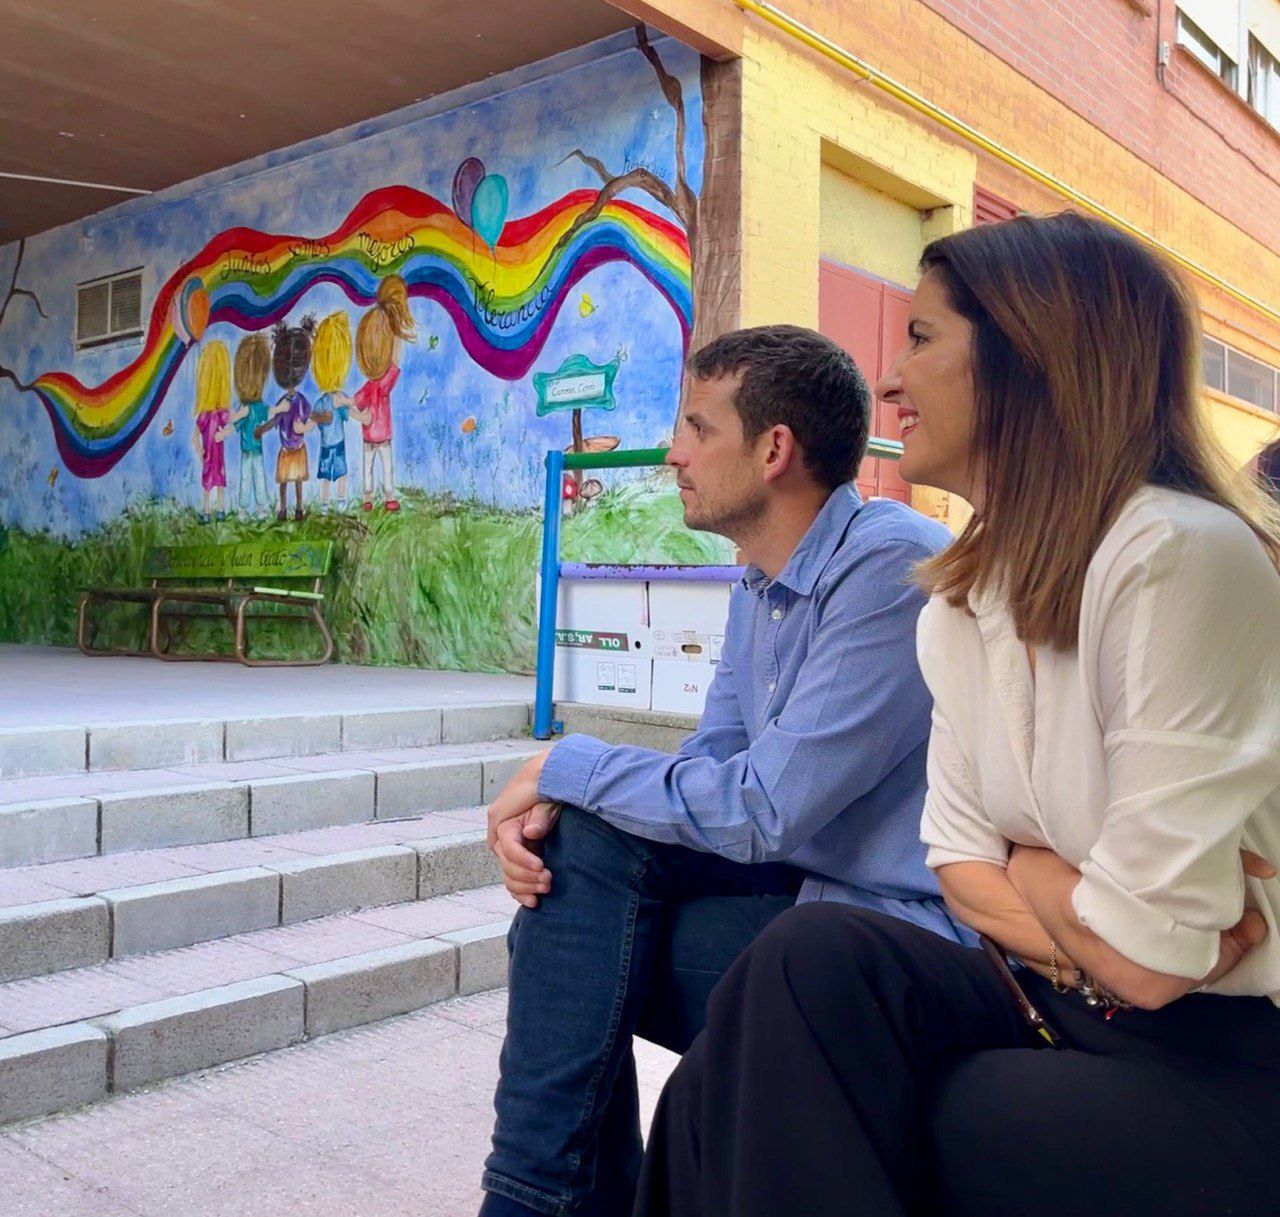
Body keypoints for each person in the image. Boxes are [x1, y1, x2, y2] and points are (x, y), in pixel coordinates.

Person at [634, 213, 1280, 1217]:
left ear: (1030, 355)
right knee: (792, 973)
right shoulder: (963, 597)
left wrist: (1035, 877)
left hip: (1211, 1055)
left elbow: (1150, 966)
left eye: (922, 337)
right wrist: (1062, 893)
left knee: (838, 1105)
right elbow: (960, 867)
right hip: (1042, 992)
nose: (890, 382)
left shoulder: (1177, 556)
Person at [480, 324, 959, 1217]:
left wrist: (566, 761)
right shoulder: (760, 582)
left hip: (887, 935)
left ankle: (542, 1204)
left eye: (698, 428)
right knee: (578, 859)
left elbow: (763, 807)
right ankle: (549, 1200)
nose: (674, 453)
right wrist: (568, 796)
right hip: (800, 888)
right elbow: (713, 766)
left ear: (774, 450)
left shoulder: (888, 567)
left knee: (573, 950)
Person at [352, 275, 415, 513]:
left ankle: (384, 496)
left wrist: (396, 334)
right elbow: (354, 405)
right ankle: (372, 496)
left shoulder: (379, 384)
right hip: (374, 437)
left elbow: (394, 365)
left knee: (381, 466)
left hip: (377, 436)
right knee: (374, 466)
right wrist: (358, 414)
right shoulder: (373, 386)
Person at [228, 334, 272, 515]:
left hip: (255, 451)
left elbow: (269, 413)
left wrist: (281, 409)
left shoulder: (257, 407)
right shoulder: (245, 408)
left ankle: (261, 507)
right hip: (248, 451)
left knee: (258, 477)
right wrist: (229, 423)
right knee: (247, 478)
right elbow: (234, 424)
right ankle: (244, 508)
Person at [192, 339, 233, 523]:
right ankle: (206, 511)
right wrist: (199, 450)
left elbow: (232, 424)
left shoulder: (221, 413)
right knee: (208, 484)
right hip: (209, 457)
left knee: (220, 483)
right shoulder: (204, 415)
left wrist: (224, 433)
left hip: (217, 457)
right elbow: (195, 436)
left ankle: (220, 510)